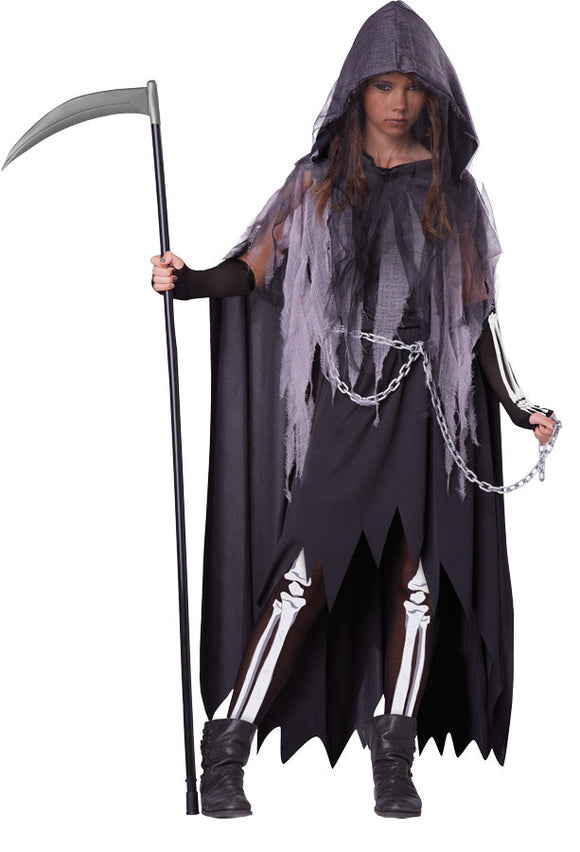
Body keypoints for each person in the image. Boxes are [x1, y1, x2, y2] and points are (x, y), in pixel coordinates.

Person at [151, 1, 556, 819]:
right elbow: (253, 268)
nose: (398, 102)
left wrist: (519, 406)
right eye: (383, 86)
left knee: (418, 584)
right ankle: (225, 748)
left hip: (428, 408)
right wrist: (188, 281)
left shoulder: (453, 193)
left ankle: (393, 756)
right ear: (358, 92)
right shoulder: (319, 182)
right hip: (348, 401)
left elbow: (477, 316)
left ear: (432, 93)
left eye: (411, 86)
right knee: (303, 577)